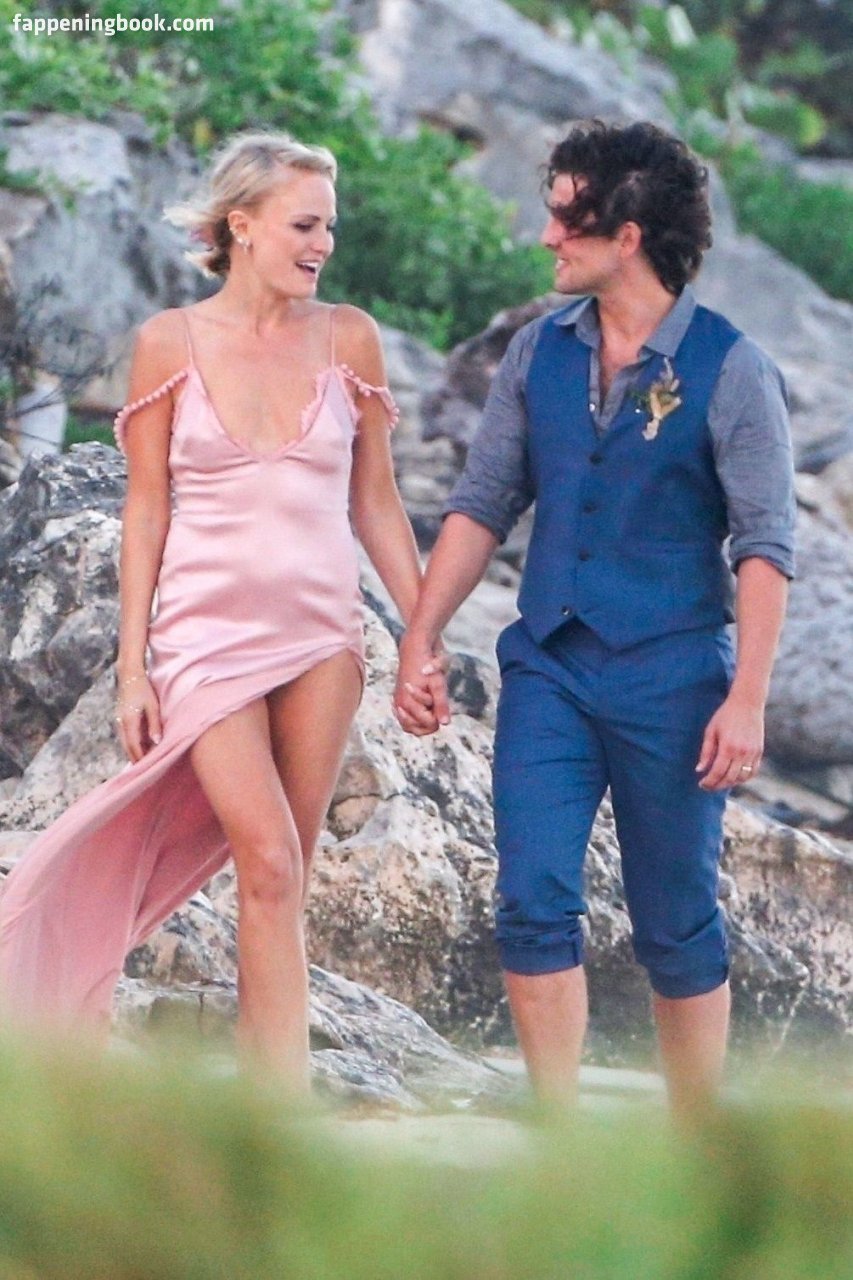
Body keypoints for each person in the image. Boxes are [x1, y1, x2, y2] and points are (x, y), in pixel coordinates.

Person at [0, 131, 425, 1095]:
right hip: (204, 637)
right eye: (304, 225)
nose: (323, 244)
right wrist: (133, 668)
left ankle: (271, 1112)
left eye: (329, 227)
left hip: (321, 635)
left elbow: (376, 502)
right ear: (242, 225)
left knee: (283, 877)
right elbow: (146, 508)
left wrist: (422, 634)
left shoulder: (349, 337)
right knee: (265, 852)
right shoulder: (170, 341)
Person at [395, 120, 796, 1118]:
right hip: (551, 667)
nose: (546, 238)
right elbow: (483, 503)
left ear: (627, 234)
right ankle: (561, 1140)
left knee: (674, 921)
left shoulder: (730, 367)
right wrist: (419, 634)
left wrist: (746, 698)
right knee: (530, 897)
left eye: (566, 219)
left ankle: (696, 1141)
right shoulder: (537, 349)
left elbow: (763, 547)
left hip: (674, 676)